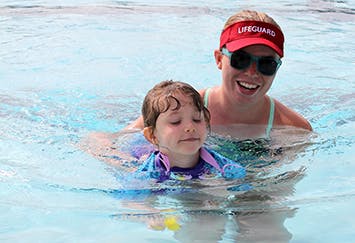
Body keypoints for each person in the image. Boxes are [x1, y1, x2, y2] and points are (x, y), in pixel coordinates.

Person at [127, 10, 312, 138]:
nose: (252, 72)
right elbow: (111, 143)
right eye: (241, 59)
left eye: (267, 64)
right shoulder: (178, 109)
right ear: (218, 59)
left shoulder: (293, 128)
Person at [135, 80, 245, 182]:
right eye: (176, 121)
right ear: (152, 136)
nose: (190, 127)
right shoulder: (147, 175)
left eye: (197, 119)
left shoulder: (225, 168)